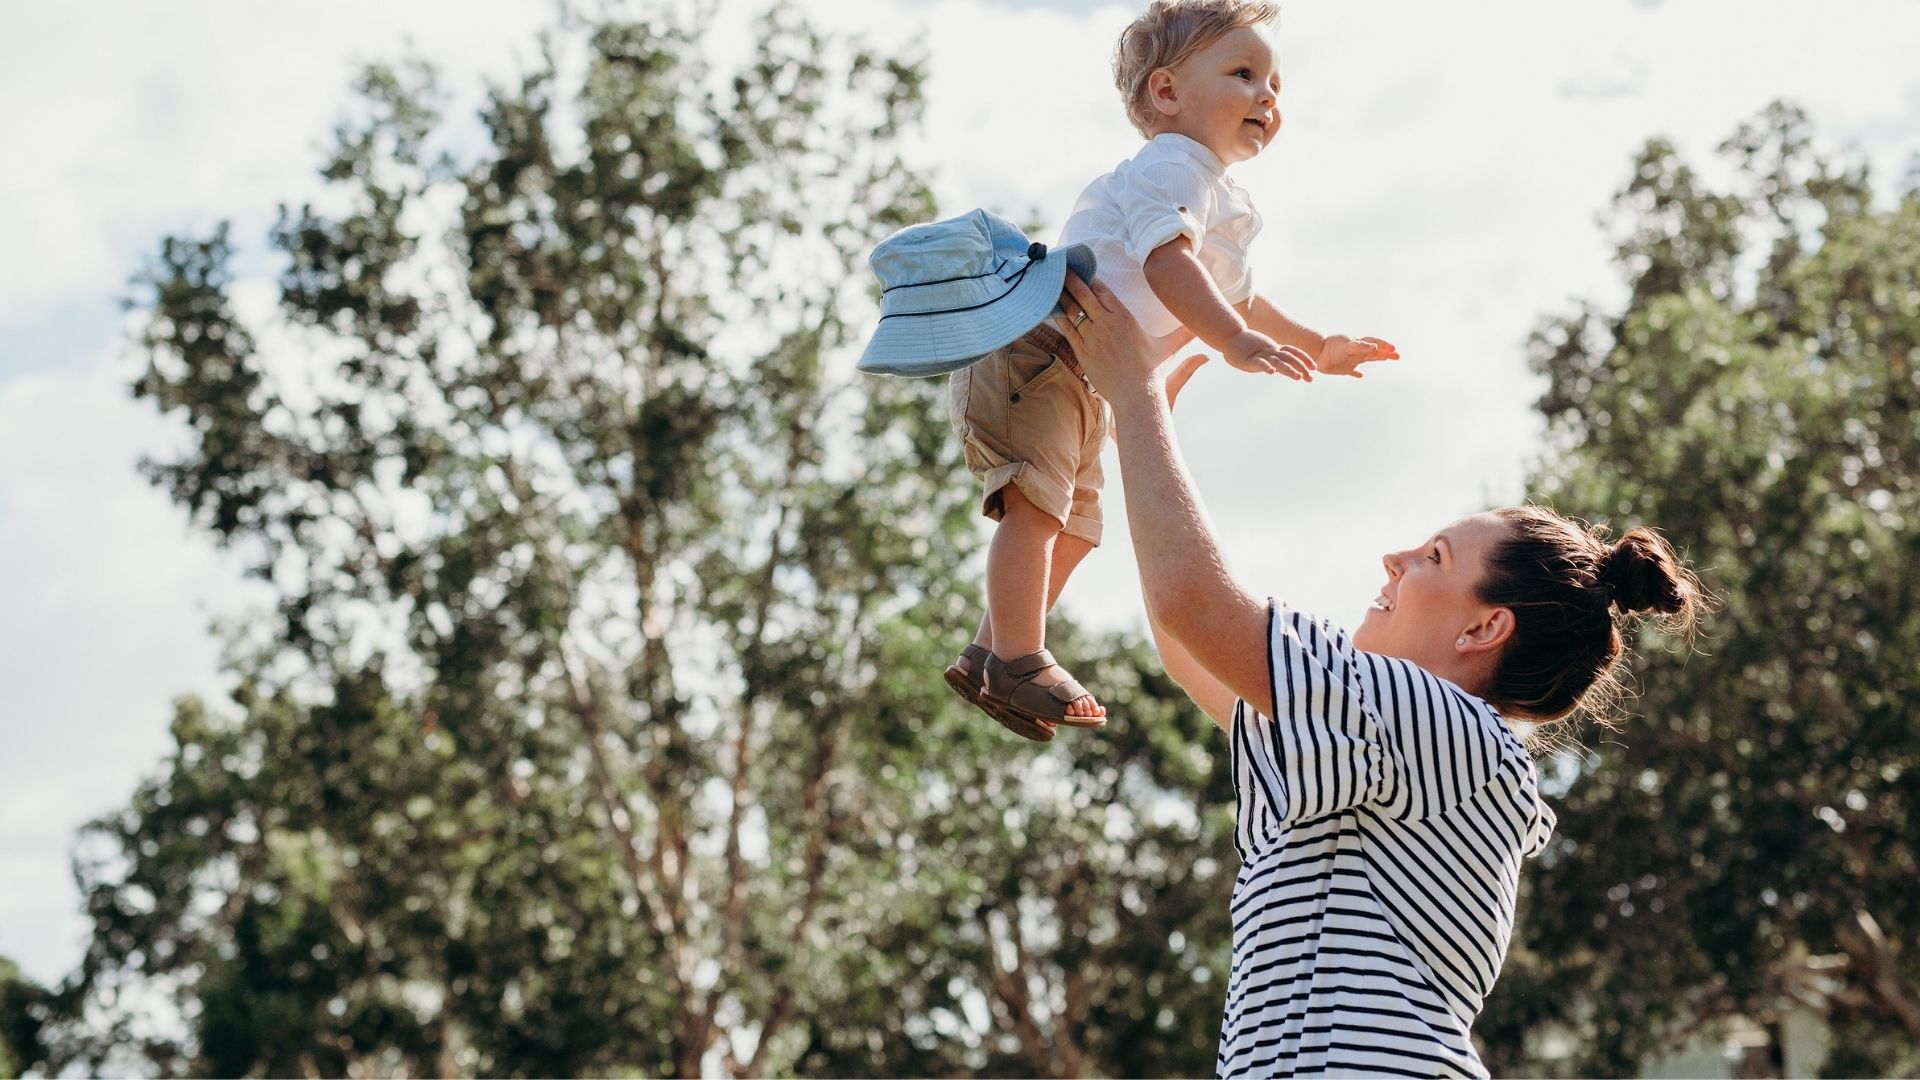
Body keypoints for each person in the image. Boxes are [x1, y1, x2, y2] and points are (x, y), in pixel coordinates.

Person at [1049, 272, 1706, 1078]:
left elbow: (1196, 608)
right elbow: (1189, 648)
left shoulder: (1443, 724)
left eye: (1433, 557)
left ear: (1483, 627)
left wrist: (1137, 394)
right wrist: (1137, 426)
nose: (1392, 559)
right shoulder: (1398, 739)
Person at [940, 0, 1396, 739]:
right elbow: (1168, 264)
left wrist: (1322, 345)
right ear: (1166, 91)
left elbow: (1241, 295)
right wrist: (1235, 341)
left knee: (1079, 529)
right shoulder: (1170, 168)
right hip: (1040, 350)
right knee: (1039, 509)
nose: (1267, 96)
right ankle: (1021, 657)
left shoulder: (1216, 197)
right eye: (1244, 74)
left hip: (1083, 376)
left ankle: (990, 652)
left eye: (1275, 83)